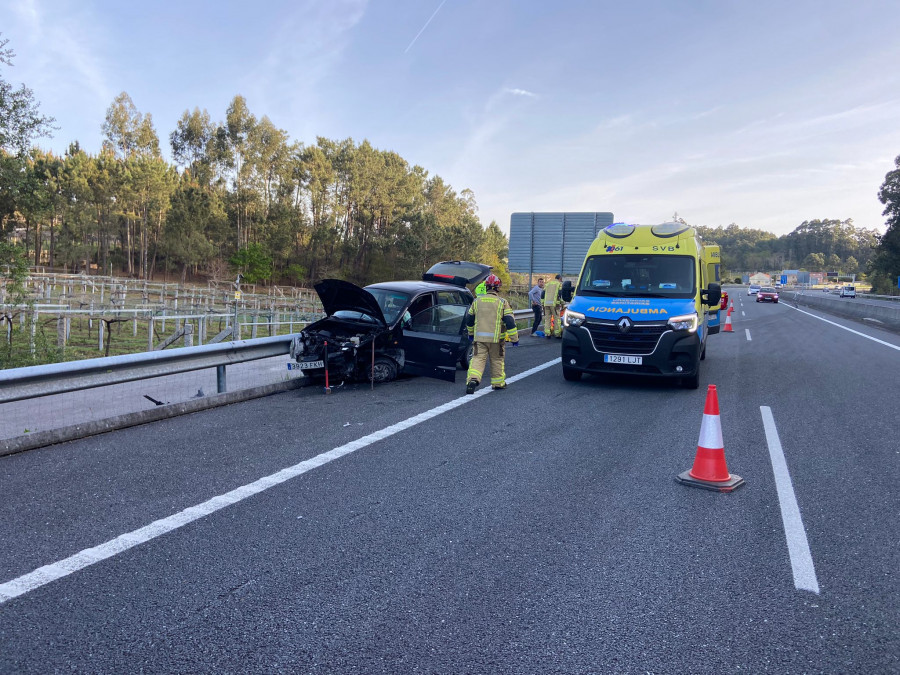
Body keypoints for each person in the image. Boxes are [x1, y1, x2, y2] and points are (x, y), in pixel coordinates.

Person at [465, 274, 519, 394]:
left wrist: (470, 333)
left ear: (486, 287)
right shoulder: (502, 302)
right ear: (498, 287)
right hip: (496, 340)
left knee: (477, 359)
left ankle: (473, 379)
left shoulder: (476, 301)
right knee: (497, 360)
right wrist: (514, 339)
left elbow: (469, 320)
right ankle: (498, 383)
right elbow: (510, 322)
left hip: (480, 339)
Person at [542, 274, 563, 338]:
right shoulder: (559, 284)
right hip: (555, 305)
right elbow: (560, 294)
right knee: (557, 319)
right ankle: (557, 334)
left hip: (546, 304)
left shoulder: (548, 284)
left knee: (547, 319)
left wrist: (542, 303)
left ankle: (547, 333)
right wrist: (562, 303)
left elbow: (542, 294)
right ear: (560, 278)